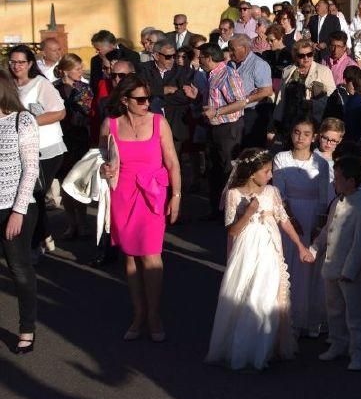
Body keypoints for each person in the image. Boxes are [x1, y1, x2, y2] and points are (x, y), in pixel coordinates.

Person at [206, 149, 313, 370]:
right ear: (252, 173)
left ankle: (265, 347)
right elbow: (232, 231)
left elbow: (284, 221)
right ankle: (244, 345)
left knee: (267, 294)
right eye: (266, 171)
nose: (270, 175)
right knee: (246, 294)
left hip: (270, 249)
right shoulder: (234, 194)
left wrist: (300, 246)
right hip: (246, 250)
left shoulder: (272, 192)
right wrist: (248, 213)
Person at [99, 75, 180, 342]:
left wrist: (177, 196)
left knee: (151, 254)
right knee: (131, 256)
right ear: (125, 100)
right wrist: (104, 169)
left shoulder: (159, 122)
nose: (147, 104)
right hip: (122, 193)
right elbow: (102, 160)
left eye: (149, 98)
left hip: (153, 194)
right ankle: (139, 313)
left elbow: (172, 161)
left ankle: (154, 315)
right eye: (141, 99)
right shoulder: (109, 125)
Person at [312, 157, 361, 371]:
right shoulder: (339, 201)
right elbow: (327, 230)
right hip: (331, 266)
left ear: (351, 181)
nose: (334, 182)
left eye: (338, 178)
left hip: (350, 272)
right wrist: (315, 248)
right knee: (334, 309)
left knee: (355, 313)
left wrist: (350, 270)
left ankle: (360, 351)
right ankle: (338, 343)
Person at [273, 118, 332, 337]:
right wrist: (290, 219)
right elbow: (279, 193)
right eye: (297, 132)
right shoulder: (281, 158)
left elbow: (324, 197)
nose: (300, 138)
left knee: (310, 269)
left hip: (312, 218)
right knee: (290, 265)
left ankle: (310, 319)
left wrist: (318, 226)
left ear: (314, 137)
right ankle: (290, 319)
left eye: (306, 134)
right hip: (288, 218)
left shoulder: (321, 163)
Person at [8, 45, 66, 256]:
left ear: (30, 63)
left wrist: (29, 121)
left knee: (34, 195)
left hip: (46, 148)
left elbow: (60, 112)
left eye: (21, 62)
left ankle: (35, 244)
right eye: (12, 62)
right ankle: (44, 235)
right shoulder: (9, 85)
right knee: (33, 196)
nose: (16, 66)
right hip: (21, 147)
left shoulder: (40, 84)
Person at [0, 70, 40, 354]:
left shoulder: (22, 120)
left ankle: (27, 328)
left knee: (19, 270)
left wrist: (18, 211)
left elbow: (31, 169)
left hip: (17, 208)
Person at [189, 43, 245, 220]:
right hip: (213, 127)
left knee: (227, 169)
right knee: (213, 168)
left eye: (201, 57)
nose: (199, 61)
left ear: (209, 58)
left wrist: (217, 112)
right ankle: (216, 210)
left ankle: (229, 212)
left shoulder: (228, 74)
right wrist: (198, 96)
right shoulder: (211, 75)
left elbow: (240, 102)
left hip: (227, 128)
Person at [53, 54, 93, 238]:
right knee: (63, 183)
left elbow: (89, 113)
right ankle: (71, 223)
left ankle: (83, 222)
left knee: (78, 182)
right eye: (77, 69)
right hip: (60, 139)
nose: (80, 72)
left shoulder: (84, 88)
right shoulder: (53, 88)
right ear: (66, 70)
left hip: (79, 139)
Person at [138, 38, 194, 151]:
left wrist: (154, 94)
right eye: (168, 57)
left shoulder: (181, 71)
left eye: (174, 56)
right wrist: (164, 90)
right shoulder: (143, 69)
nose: (173, 60)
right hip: (149, 126)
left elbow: (184, 97)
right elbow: (139, 92)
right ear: (156, 56)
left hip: (174, 126)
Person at [227, 34, 274, 148]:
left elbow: (267, 91)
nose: (230, 53)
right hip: (232, 113)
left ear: (245, 48)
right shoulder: (230, 64)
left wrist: (246, 100)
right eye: (229, 49)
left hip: (251, 113)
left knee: (250, 150)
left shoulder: (259, 64)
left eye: (233, 50)